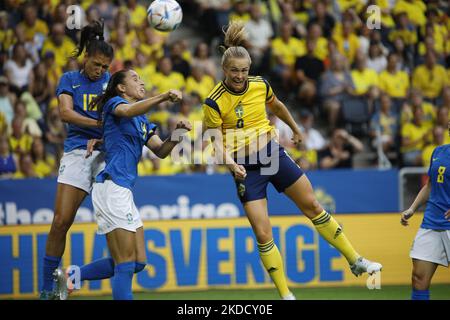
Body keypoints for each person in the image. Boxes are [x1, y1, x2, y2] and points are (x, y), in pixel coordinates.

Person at [202, 21, 382, 300]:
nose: (239, 76)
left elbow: (278, 106)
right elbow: (215, 140)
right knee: (263, 233)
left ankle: (355, 260)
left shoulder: (260, 85)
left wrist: (296, 129)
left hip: (272, 154)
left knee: (312, 205)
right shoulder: (213, 101)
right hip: (245, 169)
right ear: (224, 70)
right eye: (234, 71)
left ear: (250, 70)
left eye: (244, 71)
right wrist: (231, 164)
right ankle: (286, 294)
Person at [54, 69, 187, 300]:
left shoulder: (142, 120)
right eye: (135, 79)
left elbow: (160, 151)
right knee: (124, 265)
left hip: (123, 190)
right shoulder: (115, 104)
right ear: (121, 88)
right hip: (111, 186)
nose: (141, 82)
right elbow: (127, 110)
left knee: (137, 262)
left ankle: (72, 275)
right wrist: (164, 96)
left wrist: (177, 135)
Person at [39, 21, 114, 300]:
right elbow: (65, 114)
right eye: (97, 64)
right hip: (77, 152)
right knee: (60, 221)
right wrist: (98, 122)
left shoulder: (113, 83)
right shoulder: (69, 79)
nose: (100, 70)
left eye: (105, 67)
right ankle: (47, 288)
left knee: (115, 228)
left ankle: (80, 275)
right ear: (86, 58)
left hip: (107, 154)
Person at [401, 123, 450, 300]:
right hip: (431, 222)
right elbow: (430, 185)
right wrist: (412, 208)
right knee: (418, 279)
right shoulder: (439, 151)